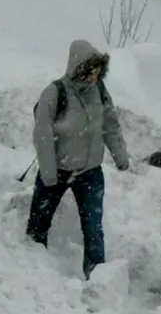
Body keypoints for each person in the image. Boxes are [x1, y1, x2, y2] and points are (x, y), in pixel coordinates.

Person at [26, 39, 130, 280]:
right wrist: (49, 174)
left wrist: (120, 156)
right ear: (77, 68)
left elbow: (111, 125)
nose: (93, 78)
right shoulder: (55, 93)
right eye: (89, 72)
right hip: (58, 170)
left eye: (97, 72)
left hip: (90, 173)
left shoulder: (100, 92)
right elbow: (42, 134)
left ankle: (97, 278)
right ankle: (33, 273)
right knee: (38, 225)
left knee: (94, 228)